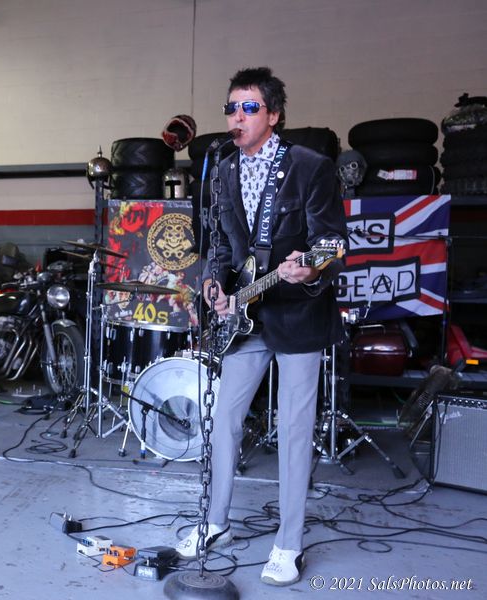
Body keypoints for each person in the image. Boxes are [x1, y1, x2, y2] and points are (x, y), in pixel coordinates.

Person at [176, 67, 347, 586]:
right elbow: (220, 243)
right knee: (224, 418)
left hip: (299, 314)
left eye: (249, 107)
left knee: (294, 429)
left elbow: (332, 243)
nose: (238, 116)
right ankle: (215, 523)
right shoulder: (223, 170)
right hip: (245, 317)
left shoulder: (310, 167)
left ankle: (289, 544)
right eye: (231, 107)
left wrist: (311, 268)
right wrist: (214, 283)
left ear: (273, 115)